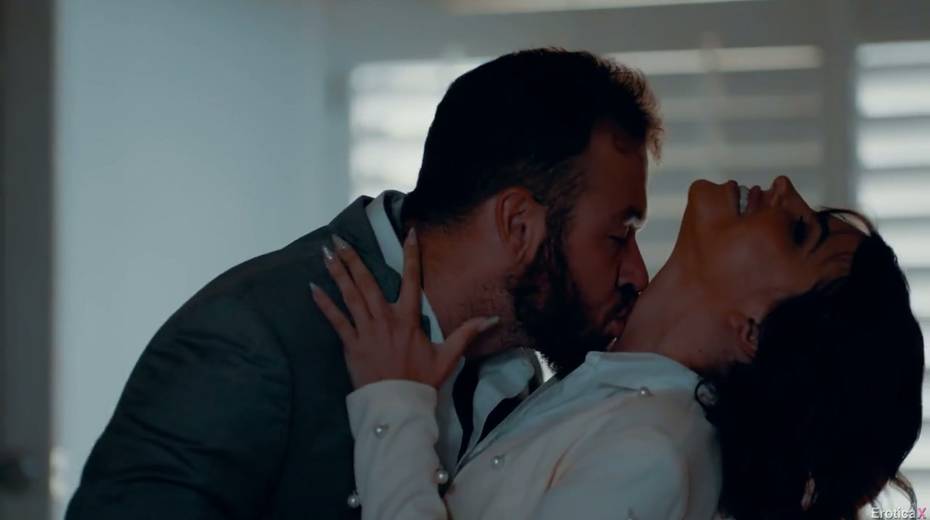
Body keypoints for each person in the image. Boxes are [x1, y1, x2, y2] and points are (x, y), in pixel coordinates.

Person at [66, 49, 660, 519]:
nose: (638, 273)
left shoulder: (515, 365)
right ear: (518, 224)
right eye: (618, 235)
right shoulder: (251, 338)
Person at [313, 176, 924, 519]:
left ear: (755, 331)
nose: (785, 187)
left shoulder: (652, 456)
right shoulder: (597, 387)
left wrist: (392, 403)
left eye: (798, 232)